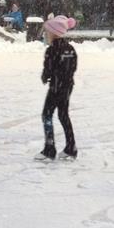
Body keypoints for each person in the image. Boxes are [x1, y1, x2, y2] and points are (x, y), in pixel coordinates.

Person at [37, 14, 78, 161]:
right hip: (67, 87)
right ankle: (71, 146)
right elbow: (73, 68)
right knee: (63, 115)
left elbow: (48, 69)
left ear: (54, 33)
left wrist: (45, 76)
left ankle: (49, 148)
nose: (46, 35)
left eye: (47, 32)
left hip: (56, 87)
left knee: (47, 115)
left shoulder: (52, 50)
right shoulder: (71, 49)